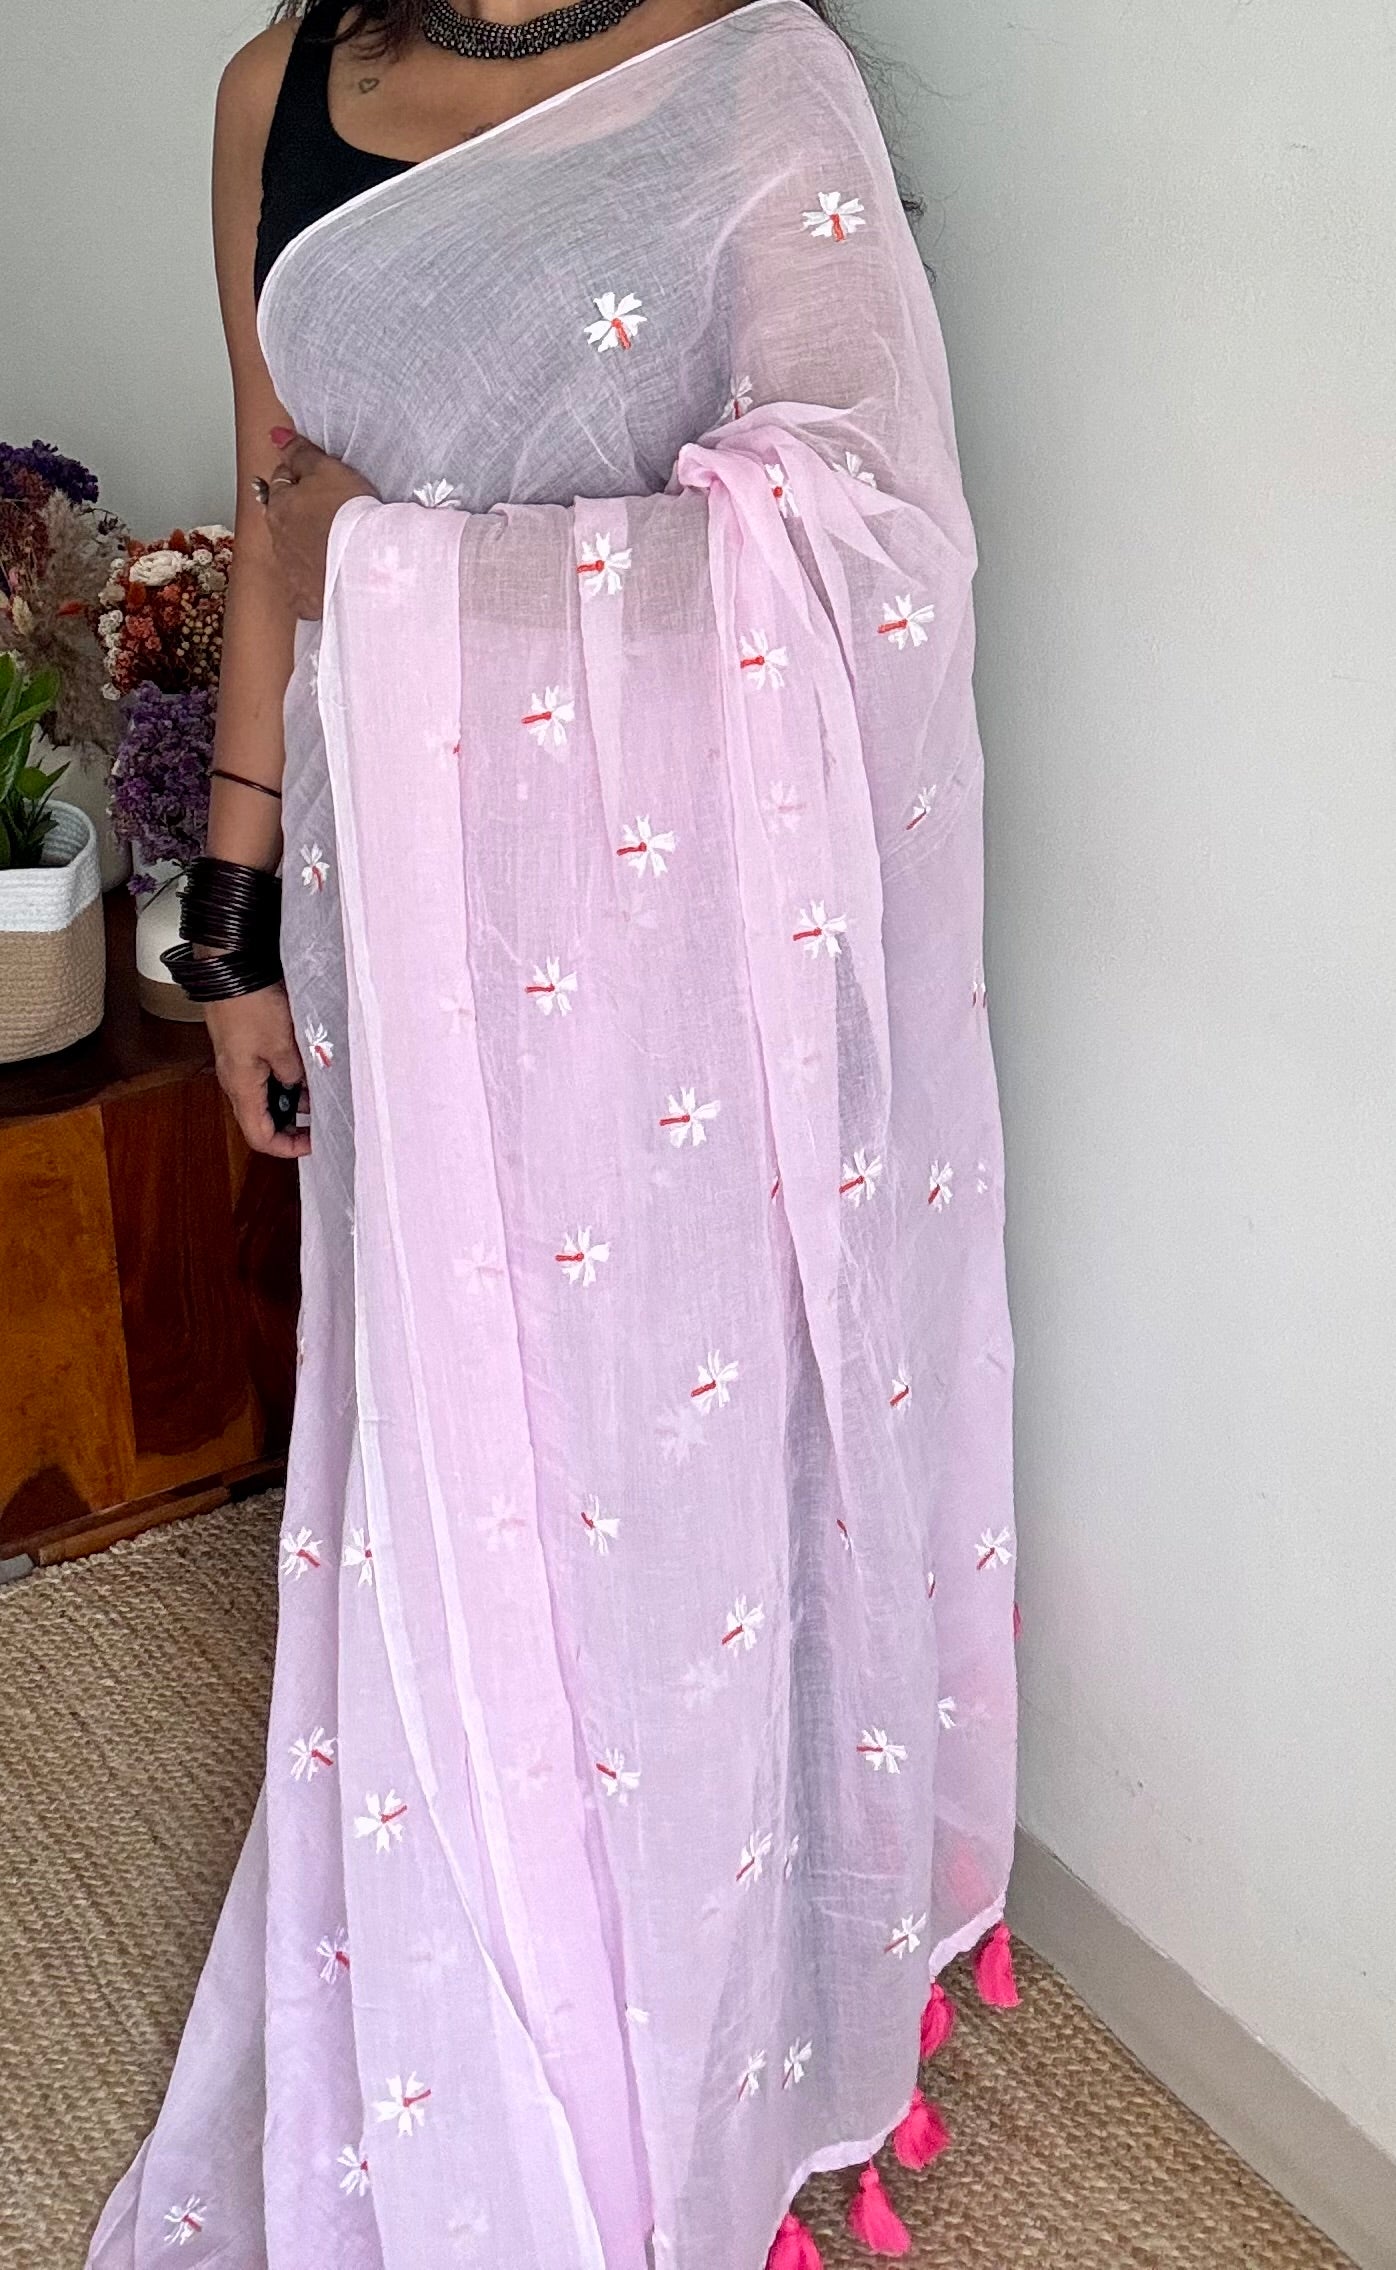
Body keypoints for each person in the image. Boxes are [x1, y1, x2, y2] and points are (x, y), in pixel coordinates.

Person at [89, 3, 1019, 2263]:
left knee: (669, 1489)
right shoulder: (275, 93)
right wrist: (236, 920)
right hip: (413, 936)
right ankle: (477, 1999)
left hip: (692, 977)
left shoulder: (748, 76)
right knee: (453, 1468)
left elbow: (865, 549)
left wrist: (413, 565)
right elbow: (279, 522)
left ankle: (691, 2034)